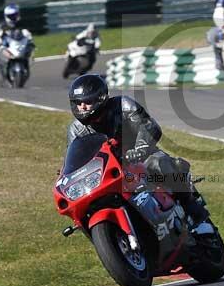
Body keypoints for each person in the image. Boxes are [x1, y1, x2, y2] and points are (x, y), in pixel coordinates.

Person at [66, 74, 213, 235]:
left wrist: (141, 147)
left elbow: (148, 125)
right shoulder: (76, 130)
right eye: (78, 103)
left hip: (139, 158)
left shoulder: (122, 105)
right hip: (108, 173)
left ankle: (194, 210)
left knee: (159, 163)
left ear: (100, 98)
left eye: (87, 102)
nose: (83, 107)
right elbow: (76, 157)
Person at [0, 4, 34, 78]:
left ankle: (26, 64)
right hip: (7, 44)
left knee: (29, 49)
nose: (14, 17)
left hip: (18, 43)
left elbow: (27, 33)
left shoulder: (21, 23)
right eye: (12, 16)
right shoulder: (2, 25)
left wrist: (30, 40)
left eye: (16, 15)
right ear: (7, 16)